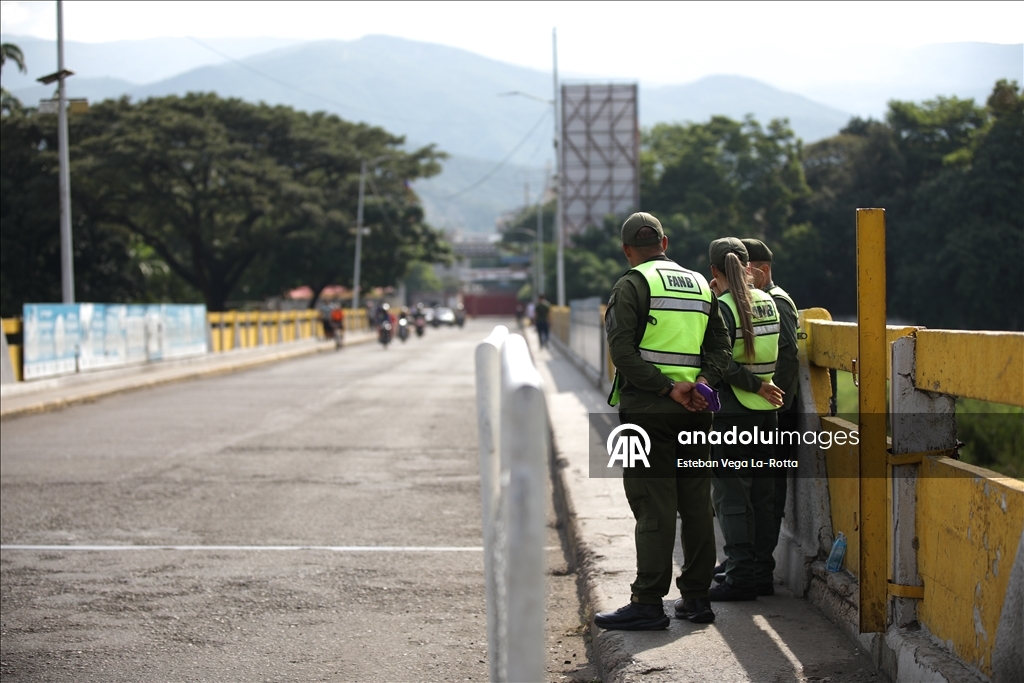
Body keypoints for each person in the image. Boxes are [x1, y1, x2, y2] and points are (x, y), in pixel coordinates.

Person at [594, 212, 732, 631]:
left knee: (653, 506)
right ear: (665, 242)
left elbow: (622, 352)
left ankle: (648, 602)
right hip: (696, 412)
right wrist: (700, 383)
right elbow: (721, 348)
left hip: (650, 413)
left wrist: (665, 388)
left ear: (627, 250)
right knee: (695, 507)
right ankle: (696, 598)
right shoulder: (698, 286)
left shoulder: (632, 284)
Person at [706, 238, 785, 602]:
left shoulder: (721, 308)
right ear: (749, 266)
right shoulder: (769, 302)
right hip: (767, 413)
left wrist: (752, 384)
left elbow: (721, 364)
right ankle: (762, 573)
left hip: (732, 414)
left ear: (714, 271)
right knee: (763, 496)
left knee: (733, 496)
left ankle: (740, 576)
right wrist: (763, 386)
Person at [741, 238, 799, 596]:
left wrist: (776, 403)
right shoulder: (762, 302)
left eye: (746, 272)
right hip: (761, 411)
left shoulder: (776, 303)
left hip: (775, 413)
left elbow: (788, 357)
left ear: (761, 271)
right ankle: (746, 562)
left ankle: (760, 567)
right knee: (753, 492)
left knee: (768, 495)